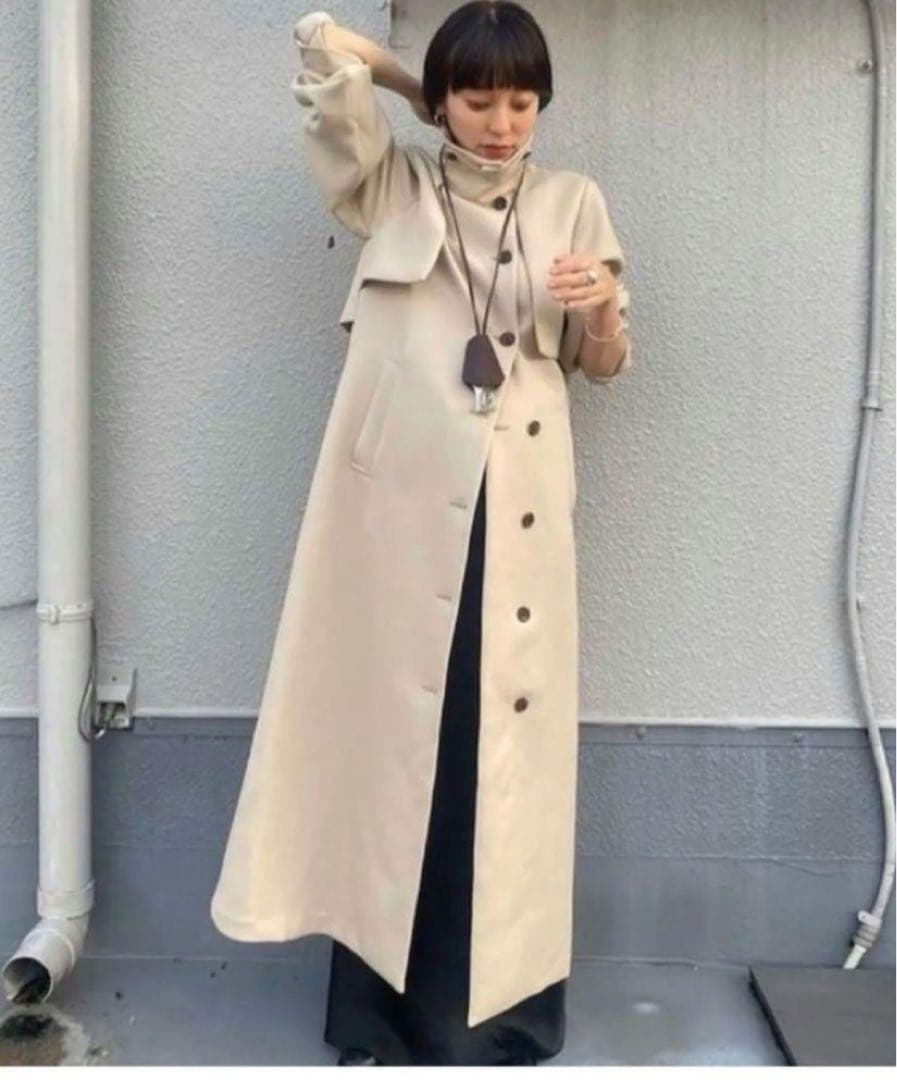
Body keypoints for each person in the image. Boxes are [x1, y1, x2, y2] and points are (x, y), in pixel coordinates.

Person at [209, 0, 632, 1068]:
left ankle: (496, 1022)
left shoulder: (573, 200)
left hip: (515, 513)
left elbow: (604, 364)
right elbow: (322, 48)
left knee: (500, 751)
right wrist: (416, 94)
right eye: (479, 100)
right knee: (397, 748)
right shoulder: (391, 183)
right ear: (446, 102)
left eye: (521, 102)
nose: (502, 123)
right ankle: (379, 1021)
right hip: (394, 519)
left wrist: (601, 309)